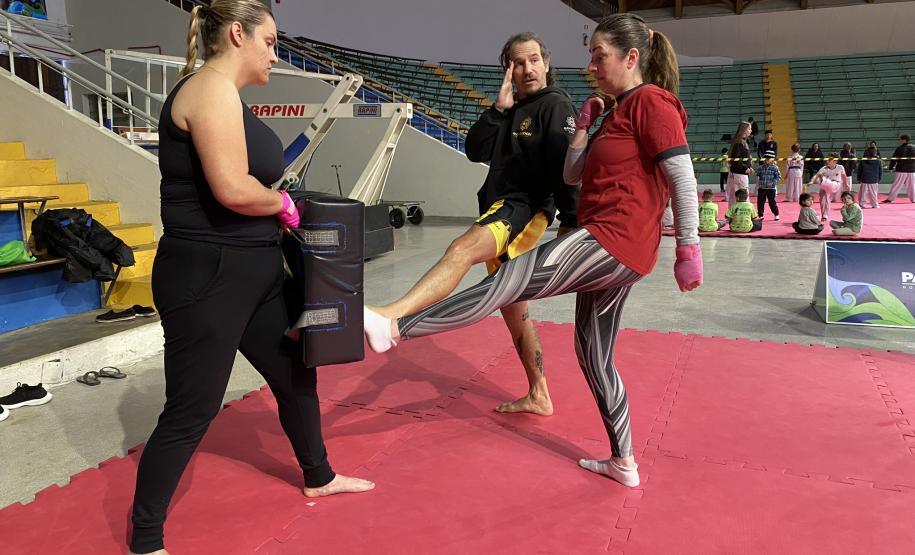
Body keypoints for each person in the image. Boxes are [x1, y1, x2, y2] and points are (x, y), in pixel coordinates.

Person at [364, 13, 702, 488]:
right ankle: (623, 460)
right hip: (615, 247)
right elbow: (572, 174)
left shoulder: (651, 101)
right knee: (594, 354)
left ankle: (395, 327)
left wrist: (689, 247)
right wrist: (585, 129)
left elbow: (682, 178)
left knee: (507, 281)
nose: (591, 66)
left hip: (611, 238)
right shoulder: (616, 110)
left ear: (631, 58)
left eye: (599, 56)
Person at [128, 3, 373, 554]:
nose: (275, 54)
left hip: (254, 268)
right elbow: (233, 189)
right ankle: (145, 539)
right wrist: (286, 206)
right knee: (193, 407)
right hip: (209, 272)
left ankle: (319, 475)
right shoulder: (208, 89)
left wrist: (282, 214)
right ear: (238, 34)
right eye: (270, 41)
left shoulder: (229, 97)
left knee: (295, 373)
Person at [367, 33, 578, 416]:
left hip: (523, 209)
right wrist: (498, 109)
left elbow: (567, 169)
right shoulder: (513, 108)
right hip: (503, 206)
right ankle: (539, 394)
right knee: (514, 311)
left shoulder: (555, 104)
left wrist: (571, 223)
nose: (528, 68)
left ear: (546, 64)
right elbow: (474, 150)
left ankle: (392, 314)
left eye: (534, 59)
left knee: (461, 250)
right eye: (518, 63)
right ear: (508, 71)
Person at [810, 153, 848, 221]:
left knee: (828, 185)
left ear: (835, 161)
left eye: (830, 159)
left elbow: (844, 176)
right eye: (827, 159)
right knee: (823, 198)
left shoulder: (840, 167)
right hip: (825, 185)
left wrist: (846, 184)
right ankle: (824, 215)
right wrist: (811, 181)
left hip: (835, 184)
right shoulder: (824, 168)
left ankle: (823, 180)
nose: (827, 161)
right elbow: (816, 175)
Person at [726, 122, 754, 207]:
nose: (751, 130)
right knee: (743, 196)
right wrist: (745, 168)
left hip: (739, 173)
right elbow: (736, 160)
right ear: (744, 130)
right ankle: (744, 213)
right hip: (739, 174)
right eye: (749, 129)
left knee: (735, 196)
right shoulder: (739, 143)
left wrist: (749, 167)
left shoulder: (742, 142)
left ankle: (733, 213)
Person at [883, 134, 915, 203]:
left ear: (904, 140)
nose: (899, 140)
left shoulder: (899, 148)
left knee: (896, 185)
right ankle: (914, 199)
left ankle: (890, 199)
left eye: (900, 139)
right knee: (912, 186)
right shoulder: (913, 147)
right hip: (912, 170)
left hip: (901, 169)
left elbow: (894, 159)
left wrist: (890, 167)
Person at [755, 150, 780, 220]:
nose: (766, 160)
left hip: (771, 188)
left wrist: (772, 183)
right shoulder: (760, 167)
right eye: (765, 158)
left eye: (768, 159)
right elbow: (758, 175)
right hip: (762, 188)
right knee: (760, 202)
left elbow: (778, 177)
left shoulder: (775, 168)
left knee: (772, 202)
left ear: (772, 159)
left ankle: (776, 214)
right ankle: (760, 215)